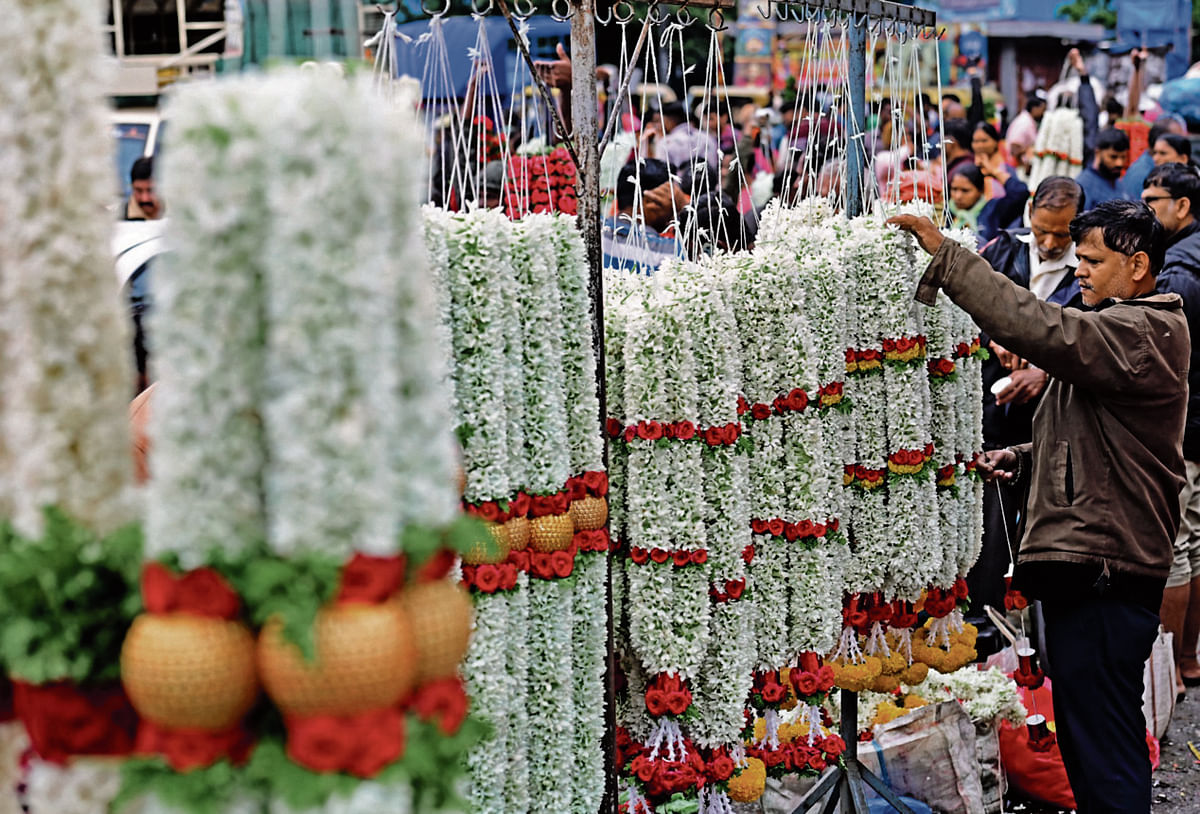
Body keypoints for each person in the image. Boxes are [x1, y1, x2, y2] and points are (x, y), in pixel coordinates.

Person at [890, 199, 1184, 814]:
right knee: (1090, 732)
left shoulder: (1142, 328)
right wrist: (1024, 459)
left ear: (1137, 266)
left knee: (1103, 742)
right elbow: (1099, 439)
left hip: (1109, 566)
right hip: (1096, 560)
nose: (1081, 271)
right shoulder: (1123, 322)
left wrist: (949, 259)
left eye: (1094, 261)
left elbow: (1044, 329)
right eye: (1079, 258)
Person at [964, 176, 1085, 613]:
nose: (1051, 242)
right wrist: (993, 337)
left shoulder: (1085, 272)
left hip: (1054, 423)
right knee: (991, 523)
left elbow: (1090, 344)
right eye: (1042, 230)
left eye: (1062, 233)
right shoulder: (1000, 252)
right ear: (1030, 211)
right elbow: (967, 312)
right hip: (996, 412)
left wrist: (1045, 374)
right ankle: (987, 616)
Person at [1142, 162, 1200, 696]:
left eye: (1154, 200)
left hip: (1188, 427)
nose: (1146, 210)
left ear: (1182, 206)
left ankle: (1168, 673)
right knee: (1195, 543)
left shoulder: (1179, 272)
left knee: (1177, 546)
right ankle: (1185, 660)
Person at [602, 158, 687, 274]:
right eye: (672, 201)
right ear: (651, 202)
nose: (673, 213)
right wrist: (685, 207)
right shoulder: (667, 254)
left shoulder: (593, 233)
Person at [947, 155, 1028, 243]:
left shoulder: (992, 210)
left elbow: (1020, 193)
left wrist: (994, 172)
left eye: (965, 191)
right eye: (954, 189)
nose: (958, 196)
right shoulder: (948, 212)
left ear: (981, 190)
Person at [1076, 127, 1130, 209]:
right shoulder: (1083, 186)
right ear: (1098, 153)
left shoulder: (1118, 182)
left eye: (1123, 157)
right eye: (1113, 157)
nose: (1119, 163)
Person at [1005, 94, 1046, 161]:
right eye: (1043, 109)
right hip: (1017, 166)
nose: (1044, 113)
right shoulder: (1024, 123)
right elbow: (1014, 148)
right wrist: (1029, 150)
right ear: (1034, 108)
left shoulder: (1028, 120)